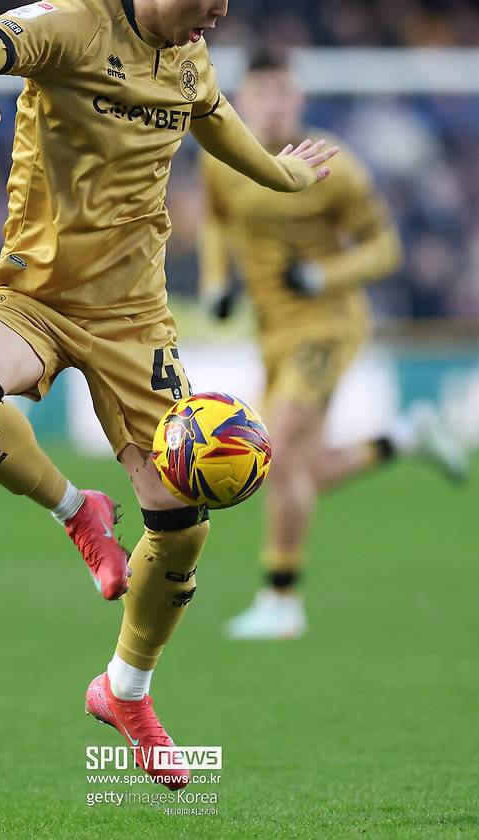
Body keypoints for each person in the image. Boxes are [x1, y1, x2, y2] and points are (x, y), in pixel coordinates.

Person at [0, 0, 338, 789]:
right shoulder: (71, 22)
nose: (219, 11)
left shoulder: (190, 57)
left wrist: (280, 176)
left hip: (134, 320)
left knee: (182, 530)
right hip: (33, 293)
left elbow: (216, 120)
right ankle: (76, 510)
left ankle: (125, 690)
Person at [199, 47, 467, 641]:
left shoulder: (334, 167)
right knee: (296, 469)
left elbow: (385, 249)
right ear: (245, 100)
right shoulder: (223, 158)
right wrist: (217, 283)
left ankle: (281, 598)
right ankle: (403, 437)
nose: (272, 105)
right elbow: (217, 221)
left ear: (298, 98)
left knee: (278, 445)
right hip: (272, 332)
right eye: (262, 93)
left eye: (283, 92)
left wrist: (324, 276)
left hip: (329, 325)